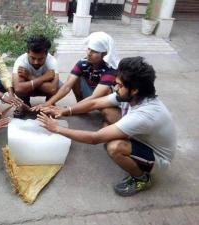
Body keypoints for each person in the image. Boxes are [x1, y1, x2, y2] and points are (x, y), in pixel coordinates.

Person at [37, 56, 177, 196]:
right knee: (107, 110)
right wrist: (64, 110)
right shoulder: (134, 95)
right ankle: (119, 137)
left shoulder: (145, 114)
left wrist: (57, 128)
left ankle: (141, 178)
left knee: (114, 147)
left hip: (157, 158)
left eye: (120, 85)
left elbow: (95, 139)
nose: (115, 88)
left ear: (134, 90)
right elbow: (95, 103)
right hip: (142, 137)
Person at [32, 31, 119, 112]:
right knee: (75, 79)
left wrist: (66, 110)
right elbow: (66, 87)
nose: (89, 53)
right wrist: (47, 104)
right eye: (89, 49)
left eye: (94, 51)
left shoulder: (110, 70)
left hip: (101, 99)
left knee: (107, 109)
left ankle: (81, 108)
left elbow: (95, 96)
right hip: (91, 93)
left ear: (104, 54)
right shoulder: (83, 63)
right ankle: (80, 106)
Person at [12, 34, 61, 117]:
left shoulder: (52, 61)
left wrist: (30, 77)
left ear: (46, 54)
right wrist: (44, 78)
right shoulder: (21, 61)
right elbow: (18, 88)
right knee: (13, 84)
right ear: (27, 52)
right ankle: (24, 103)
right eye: (33, 58)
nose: (36, 62)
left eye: (40, 59)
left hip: (39, 88)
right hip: (29, 90)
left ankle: (49, 104)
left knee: (60, 86)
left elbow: (52, 89)